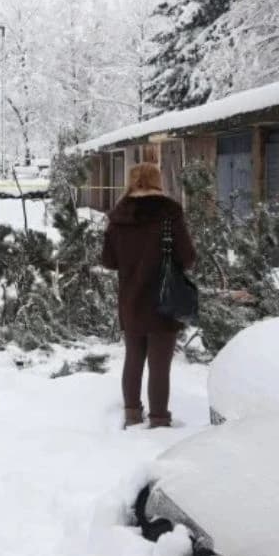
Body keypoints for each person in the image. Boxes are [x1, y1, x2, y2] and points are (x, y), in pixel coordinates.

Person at [100, 162, 197, 429]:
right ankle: (158, 419)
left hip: (131, 300)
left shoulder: (118, 216)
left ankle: (132, 414)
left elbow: (108, 261)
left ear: (131, 182)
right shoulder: (170, 213)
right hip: (164, 300)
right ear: (158, 180)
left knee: (133, 358)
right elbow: (187, 258)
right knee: (159, 364)